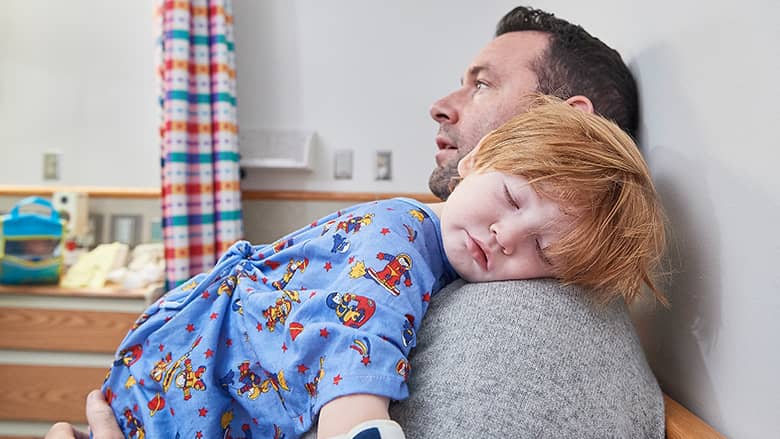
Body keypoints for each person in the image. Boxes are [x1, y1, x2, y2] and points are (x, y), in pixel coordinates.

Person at [46, 6, 666, 439]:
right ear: (485, 162)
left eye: (482, 85)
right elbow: (361, 325)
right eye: (507, 198)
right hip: (175, 375)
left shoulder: (525, 306)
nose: (506, 235)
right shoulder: (399, 233)